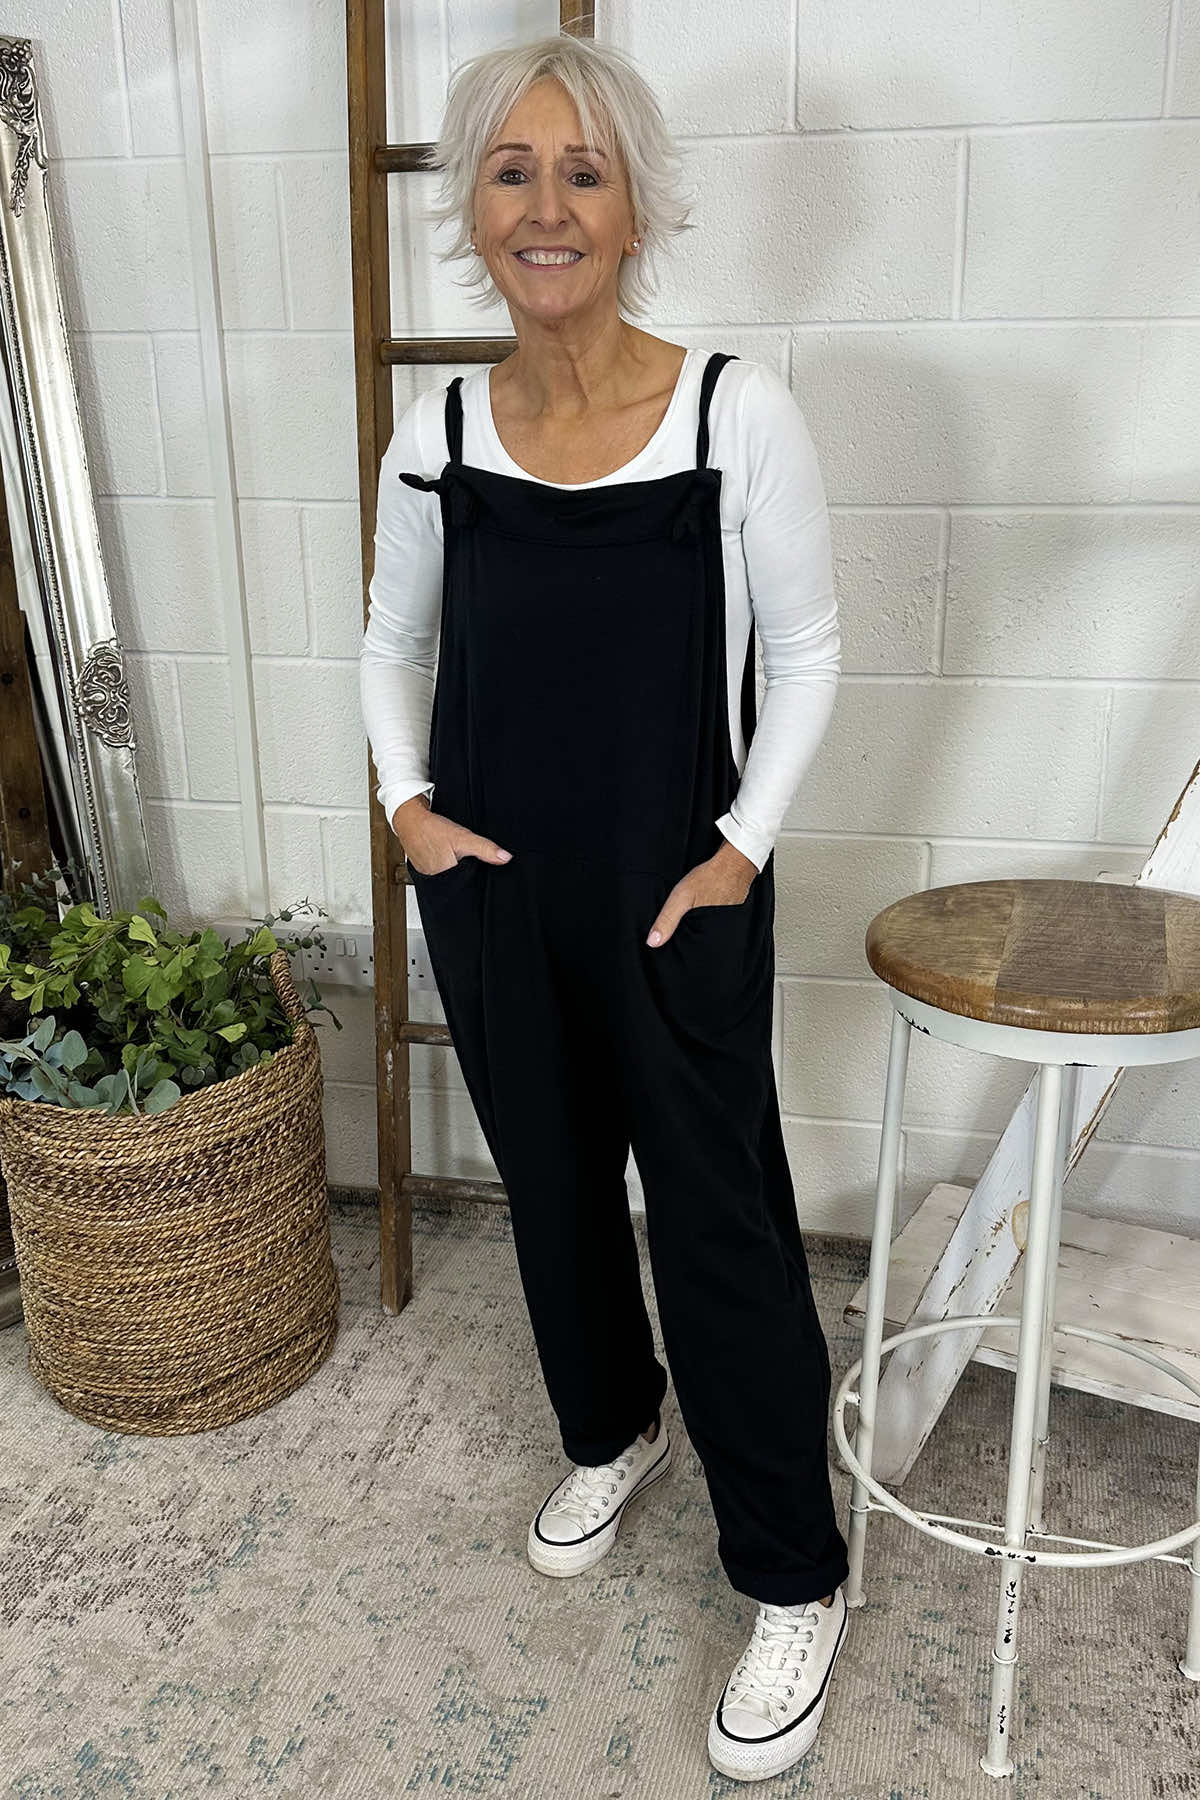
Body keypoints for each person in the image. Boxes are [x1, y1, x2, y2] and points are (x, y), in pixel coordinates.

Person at [359, 33, 850, 1786]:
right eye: (513, 170)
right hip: (498, 902)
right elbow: (389, 643)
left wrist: (739, 852)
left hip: (675, 902)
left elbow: (810, 656)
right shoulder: (437, 435)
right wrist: (411, 814)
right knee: (555, 1200)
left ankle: (792, 1574)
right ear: (472, 209)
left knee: (721, 1228)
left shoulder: (732, 414)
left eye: (584, 172)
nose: (548, 206)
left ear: (636, 208)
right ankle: (615, 1428)